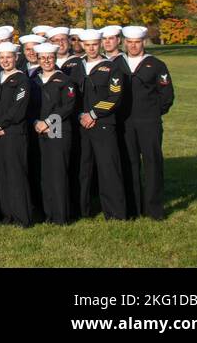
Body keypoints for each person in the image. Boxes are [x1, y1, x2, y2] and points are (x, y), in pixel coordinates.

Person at [68, 28, 129, 220]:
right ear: (83, 46)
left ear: (100, 44)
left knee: (108, 169)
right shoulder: (76, 67)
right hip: (81, 125)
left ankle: (115, 213)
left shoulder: (111, 68)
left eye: (95, 44)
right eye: (88, 45)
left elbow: (115, 96)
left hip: (103, 124)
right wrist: (80, 115)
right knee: (82, 169)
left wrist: (93, 114)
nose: (91, 48)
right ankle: (83, 211)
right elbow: (71, 96)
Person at [119, 26, 174, 220]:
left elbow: (166, 95)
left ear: (143, 42)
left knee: (152, 163)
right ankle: (133, 207)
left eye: (137, 42)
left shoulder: (156, 64)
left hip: (149, 122)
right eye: (130, 42)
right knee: (130, 163)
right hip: (125, 123)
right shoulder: (118, 64)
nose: (133, 46)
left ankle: (154, 209)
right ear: (125, 43)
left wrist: (152, 112)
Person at [0, 42, 33, 227]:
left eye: (9, 57)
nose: (5, 61)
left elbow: (18, 109)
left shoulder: (22, 80)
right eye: (2, 57)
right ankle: (8, 215)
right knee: (3, 174)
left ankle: (23, 216)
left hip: (14, 132)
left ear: (16, 58)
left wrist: (0, 124)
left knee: (17, 174)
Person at [31, 43, 77, 225]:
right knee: (44, 172)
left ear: (55, 58)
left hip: (58, 127)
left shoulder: (64, 80)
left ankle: (61, 215)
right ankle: (48, 213)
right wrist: (35, 122)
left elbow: (68, 107)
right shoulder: (34, 80)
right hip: (37, 128)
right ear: (38, 59)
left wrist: (48, 122)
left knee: (58, 172)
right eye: (42, 58)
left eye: (50, 57)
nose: (46, 61)